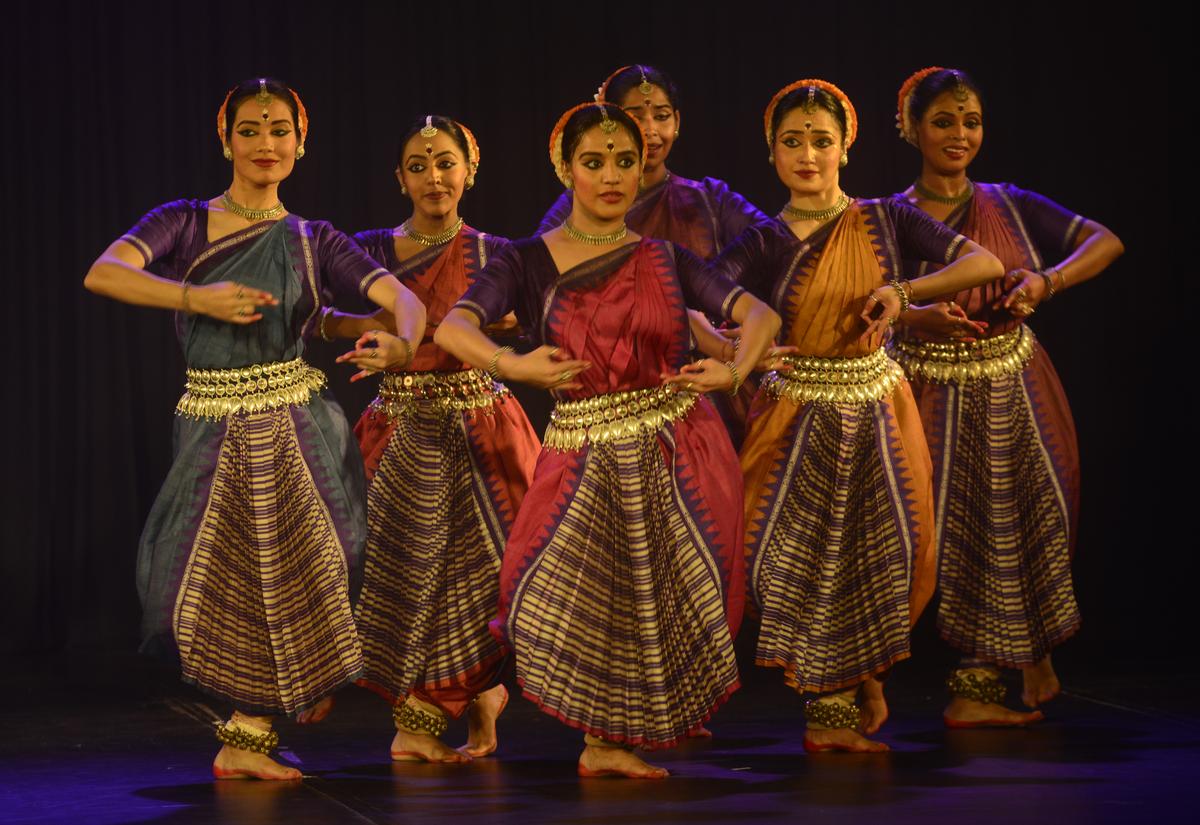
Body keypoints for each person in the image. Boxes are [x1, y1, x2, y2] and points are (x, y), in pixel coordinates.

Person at [83, 78, 426, 780]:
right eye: (250, 129)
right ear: (226, 139)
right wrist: (192, 293)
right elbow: (104, 273)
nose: (265, 143)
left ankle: (258, 720)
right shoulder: (182, 221)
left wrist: (403, 344)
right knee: (214, 578)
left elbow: (401, 297)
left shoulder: (311, 237)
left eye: (279, 129)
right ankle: (246, 728)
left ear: (302, 142)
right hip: (213, 426)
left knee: (325, 563)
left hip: (299, 426)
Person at [435, 101, 780, 778]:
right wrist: (512, 365)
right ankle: (600, 732)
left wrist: (734, 369)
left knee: (662, 596)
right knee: (569, 590)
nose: (612, 176)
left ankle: (614, 741)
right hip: (583, 449)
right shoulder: (528, 260)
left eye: (624, 161)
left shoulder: (665, 255)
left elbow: (759, 313)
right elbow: (453, 327)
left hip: (674, 447)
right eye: (593, 162)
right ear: (565, 168)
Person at [716, 79, 1003, 753]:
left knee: (888, 550)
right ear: (772, 154)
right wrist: (746, 350)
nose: (808, 156)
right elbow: (697, 308)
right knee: (798, 558)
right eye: (793, 143)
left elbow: (983, 261)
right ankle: (829, 709)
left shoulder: (884, 219)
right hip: (795, 417)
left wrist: (905, 294)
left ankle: (861, 671)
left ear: (846, 146)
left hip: (879, 410)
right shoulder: (763, 240)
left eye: (822, 141)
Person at [890, 67, 1123, 727]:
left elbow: (1105, 241)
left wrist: (1046, 284)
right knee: (944, 535)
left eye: (971, 122)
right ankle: (864, 694)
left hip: (1016, 385)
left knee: (1024, 520)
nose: (960, 134)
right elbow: (858, 301)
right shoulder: (888, 217)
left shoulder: (1009, 201)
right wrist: (915, 316)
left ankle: (990, 680)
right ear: (908, 127)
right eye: (943, 122)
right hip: (928, 388)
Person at [321, 115, 540, 762]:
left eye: (446, 162)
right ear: (399, 178)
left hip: (483, 425)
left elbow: (539, 321)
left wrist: (504, 329)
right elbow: (315, 312)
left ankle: (451, 700)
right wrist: (358, 326)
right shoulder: (369, 251)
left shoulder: (501, 252)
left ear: (471, 170)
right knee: (404, 576)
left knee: (495, 571)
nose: (434, 177)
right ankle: (456, 700)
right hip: (399, 430)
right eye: (418, 166)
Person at [538, 65, 770, 447]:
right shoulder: (574, 210)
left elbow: (775, 245)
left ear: (677, 122)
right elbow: (541, 283)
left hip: (710, 384)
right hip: (616, 396)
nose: (651, 129)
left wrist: (720, 312)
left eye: (661, 116)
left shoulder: (708, 199)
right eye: (635, 117)